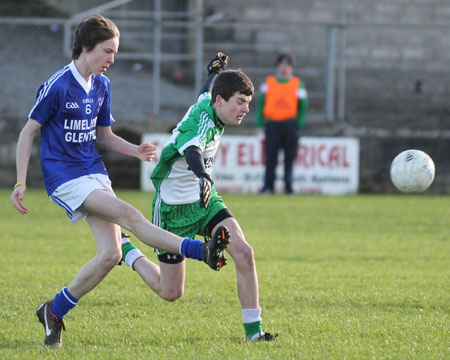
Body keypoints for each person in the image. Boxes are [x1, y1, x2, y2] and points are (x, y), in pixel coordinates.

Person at [9, 14, 229, 348]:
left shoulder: (101, 86)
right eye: (107, 51)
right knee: (129, 216)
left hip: (93, 170)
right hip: (65, 176)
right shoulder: (57, 85)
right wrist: (20, 182)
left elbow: (105, 137)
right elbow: (28, 133)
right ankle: (201, 250)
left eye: (115, 52)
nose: (112, 59)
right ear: (85, 47)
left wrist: (135, 150)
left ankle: (53, 311)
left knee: (110, 255)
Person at [120, 52, 277, 342]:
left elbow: (205, 90)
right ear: (221, 102)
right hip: (171, 210)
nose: (245, 109)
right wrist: (203, 175)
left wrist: (218, 71)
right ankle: (127, 252)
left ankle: (255, 334)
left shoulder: (210, 101)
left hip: (205, 202)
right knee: (171, 293)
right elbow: (193, 151)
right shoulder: (201, 123)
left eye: (248, 103)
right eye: (240, 102)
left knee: (244, 252)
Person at [256, 53, 308, 194]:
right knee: (270, 157)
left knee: (289, 158)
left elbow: (303, 107)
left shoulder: (297, 84)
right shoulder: (269, 82)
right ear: (278, 67)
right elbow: (261, 104)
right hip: (272, 124)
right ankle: (268, 187)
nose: (284, 68)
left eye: (287, 65)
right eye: (282, 65)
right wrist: (259, 124)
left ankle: (289, 187)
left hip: (290, 125)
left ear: (291, 68)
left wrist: (299, 125)